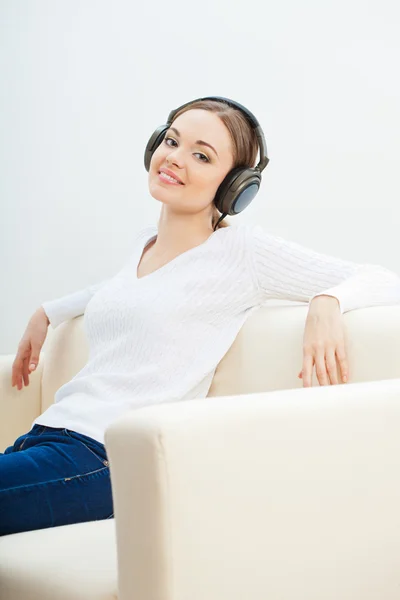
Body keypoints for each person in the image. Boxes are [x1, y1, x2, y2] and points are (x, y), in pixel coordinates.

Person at [1, 97, 400, 537]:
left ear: (235, 187)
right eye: (171, 141)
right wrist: (47, 312)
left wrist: (328, 300)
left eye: (202, 155)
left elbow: (382, 278)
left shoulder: (242, 253)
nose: (174, 158)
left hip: (104, 457)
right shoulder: (143, 244)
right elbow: (120, 292)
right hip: (50, 434)